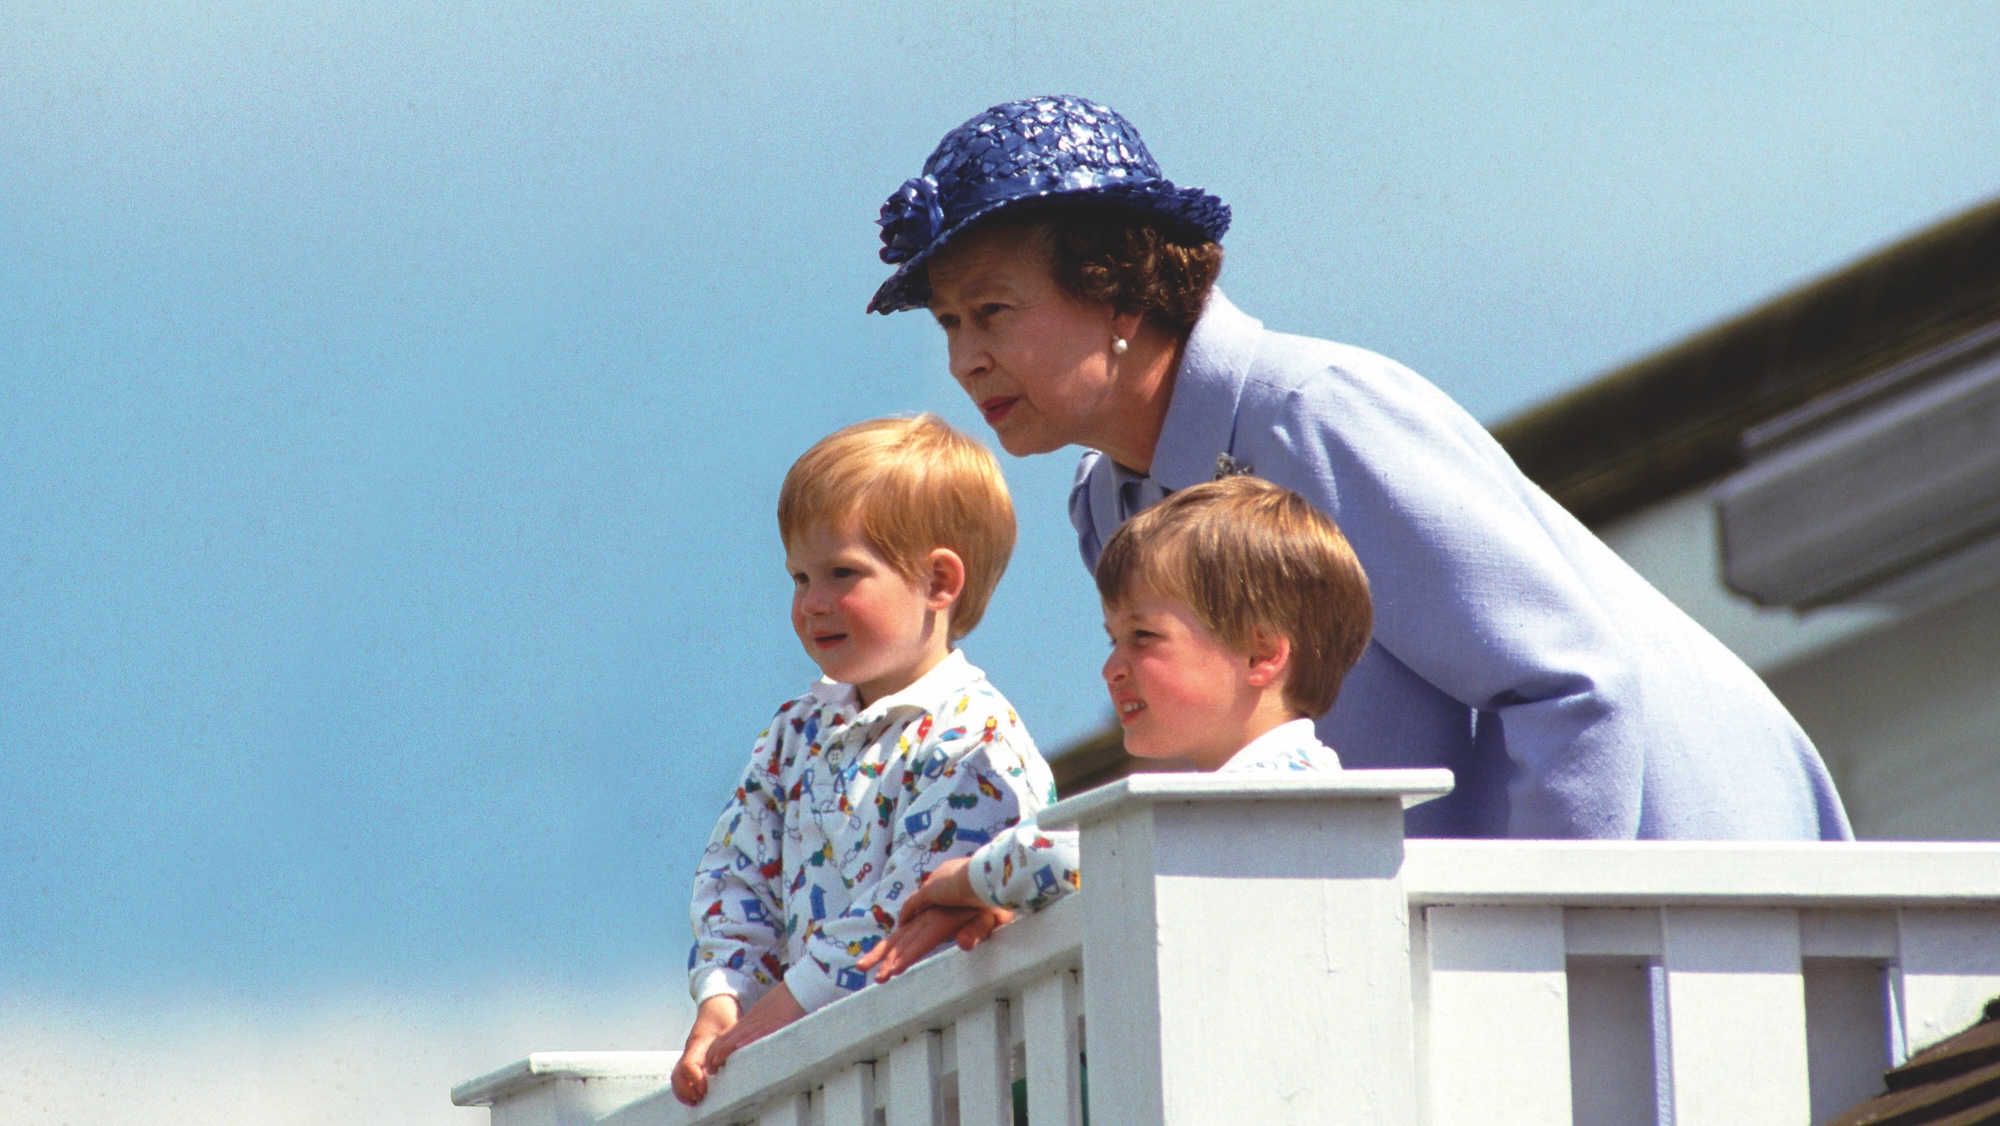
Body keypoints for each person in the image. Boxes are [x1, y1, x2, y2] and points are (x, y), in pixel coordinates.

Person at [864, 94, 1851, 843]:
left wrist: (1517, 967)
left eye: (990, 311)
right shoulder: (1108, 500)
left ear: (1118, 289)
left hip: (1696, 893)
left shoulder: (1310, 412)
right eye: (949, 322)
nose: (962, 359)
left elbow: (1570, 687)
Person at [671, 415, 1057, 1106]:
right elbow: (737, 866)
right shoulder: (796, 732)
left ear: (940, 581)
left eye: (842, 573)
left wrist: (782, 1010)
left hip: (951, 1077)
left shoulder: (975, 739)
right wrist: (726, 995)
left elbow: (911, 901)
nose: (811, 604)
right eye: (798, 577)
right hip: (827, 1077)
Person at [857, 474, 1369, 981]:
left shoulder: (1282, 790)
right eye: (1112, 641)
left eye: (1143, 637)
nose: (1112, 669)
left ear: (1261, 654)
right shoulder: (1245, 799)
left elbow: (1080, 852)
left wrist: (967, 880)